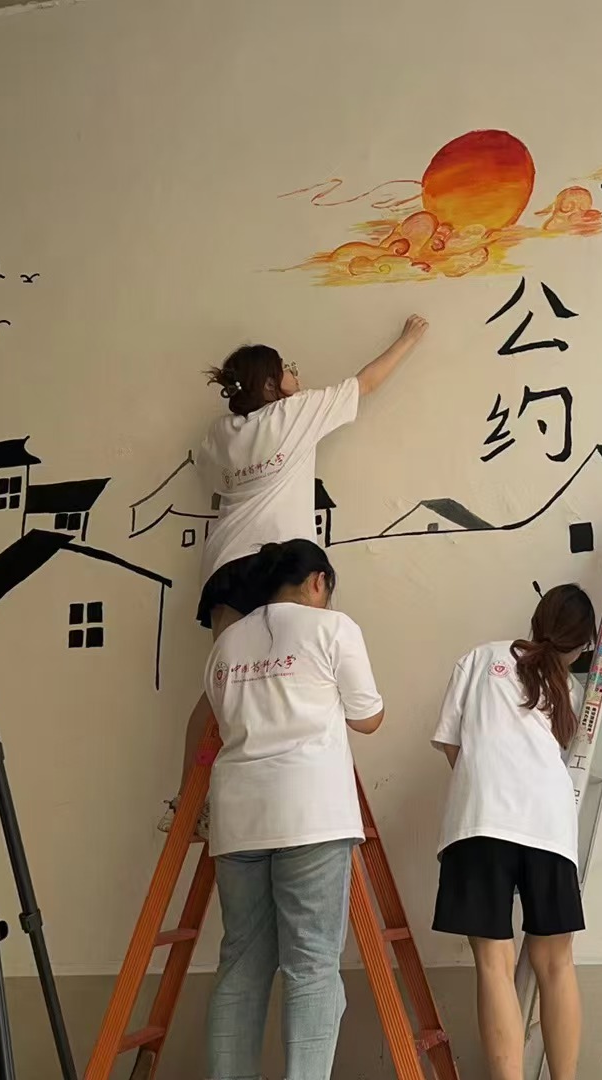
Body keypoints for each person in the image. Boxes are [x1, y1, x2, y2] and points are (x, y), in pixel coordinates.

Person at [177, 314, 427, 827]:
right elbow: (366, 383)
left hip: (224, 565)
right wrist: (408, 339)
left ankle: (187, 801)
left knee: (226, 685)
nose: (297, 373)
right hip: (278, 564)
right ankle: (295, 792)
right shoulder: (296, 412)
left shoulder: (220, 433)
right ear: (272, 384)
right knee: (302, 671)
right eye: (287, 369)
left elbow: (210, 476)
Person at [200, 539, 385, 1080]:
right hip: (310, 814)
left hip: (238, 819)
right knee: (311, 965)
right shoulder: (333, 628)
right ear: (317, 582)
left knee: (240, 964)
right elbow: (368, 718)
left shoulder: (227, 643)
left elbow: (223, 719)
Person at [431, 584, 596, 1080]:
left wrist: (486, 789)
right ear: (580, 645)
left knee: (494, 965)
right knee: (557, 964)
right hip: (549, 823)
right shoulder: (568, 691)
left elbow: (453, 747)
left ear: (537, 619)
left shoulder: (480, 658)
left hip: (481, 820)